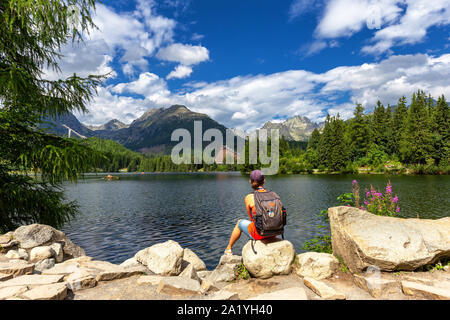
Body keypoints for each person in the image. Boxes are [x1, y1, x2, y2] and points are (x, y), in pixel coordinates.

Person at [224, 170, 276, 255]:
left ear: (250, 181)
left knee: (239, 223)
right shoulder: (273, 194)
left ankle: (228, 248)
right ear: (264, 181)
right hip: (275, 232)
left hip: (260, 234)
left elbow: (251, 219)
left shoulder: (249, 197)